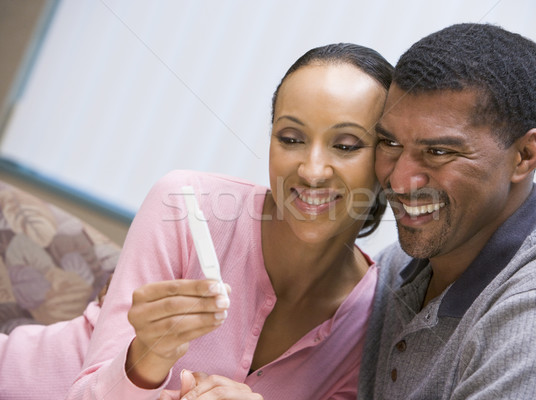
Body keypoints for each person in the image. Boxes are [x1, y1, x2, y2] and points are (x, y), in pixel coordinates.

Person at [66, 43, 393, 400]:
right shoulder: (183, 204)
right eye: (291, 139)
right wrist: (149, 355)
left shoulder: (373, 321)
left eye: (346, 145)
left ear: (387, 159)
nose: (311, 171)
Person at [357, 23, 536, 399]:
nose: (400, 180)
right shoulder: (396, 267)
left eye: (438, 152)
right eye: (389, 142)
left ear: (524, 156)